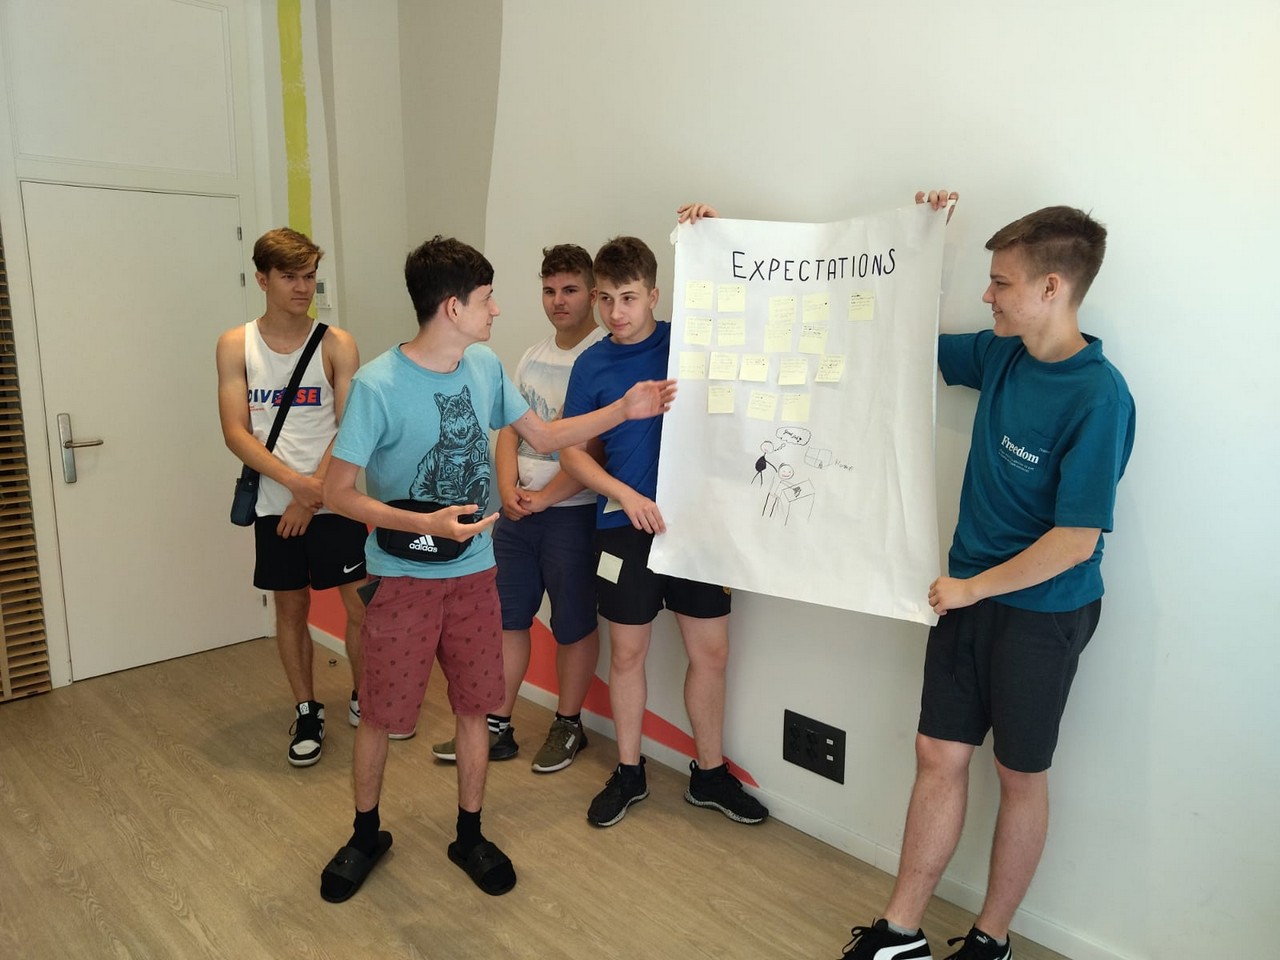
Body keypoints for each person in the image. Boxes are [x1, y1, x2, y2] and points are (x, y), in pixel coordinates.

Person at [317, 236, 675, 902]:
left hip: (475, 574)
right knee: (380, 715)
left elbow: (544, 436)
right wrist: (422, 524)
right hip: (403, 577)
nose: (498, 309)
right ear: (453, 307)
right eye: (487, 299)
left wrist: (625, 409)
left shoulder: (482, 367)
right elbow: (338, 493)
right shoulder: (377, 386)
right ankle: (365, 835)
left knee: (476, 708)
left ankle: (470, 833)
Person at [838, 193, 1135, 959]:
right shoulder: (1000, 352)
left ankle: (990, 940)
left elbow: (1076, 540)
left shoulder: (1100, 396)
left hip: (1043, 610)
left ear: (1051, 288)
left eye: (1001, 283)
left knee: (1019, 773)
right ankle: (900, 932)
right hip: (967, 597)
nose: (988, 296)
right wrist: (919, 240)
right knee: (938, 753)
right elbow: (903, 341)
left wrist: (973, 588)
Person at [559, 215, 770, 829]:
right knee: (628, 654)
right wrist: (624, 494)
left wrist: (710, 229)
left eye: (628, 298)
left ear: (653, 294)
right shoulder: (591, 366)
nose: (615, 312)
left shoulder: (690, 342)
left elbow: (751, 311)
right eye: (605, 299)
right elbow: (570, 452)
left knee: (712, 652)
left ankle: (709, 775)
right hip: (622, 525)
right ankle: (629, 771)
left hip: (698, 526)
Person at [430, 244, 606, 772]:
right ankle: (497, 725)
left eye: (570, 290)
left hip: (573, 512)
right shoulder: (531, 355)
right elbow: (508, 429)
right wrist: (507, 490)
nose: (558, 301)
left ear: (593, 293)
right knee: (508, 619)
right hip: (517, 513)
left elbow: (595, 448)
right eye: (549, 290)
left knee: (573, 623)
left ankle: (569, 724)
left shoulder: (601, 356)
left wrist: (546, 497)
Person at [215, 227, 370, 768]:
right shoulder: (236, 345)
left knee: (361, 604)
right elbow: (235, 432)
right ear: (263, 279)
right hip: (273, 503)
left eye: (309, 277)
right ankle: (307, 710)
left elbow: (350, 426)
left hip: (335, 499)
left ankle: (366, 695)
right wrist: (295, 486)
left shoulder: (336, 343)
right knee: (291, 606)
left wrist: (312, 494)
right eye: (290, 277)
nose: (303, 288)